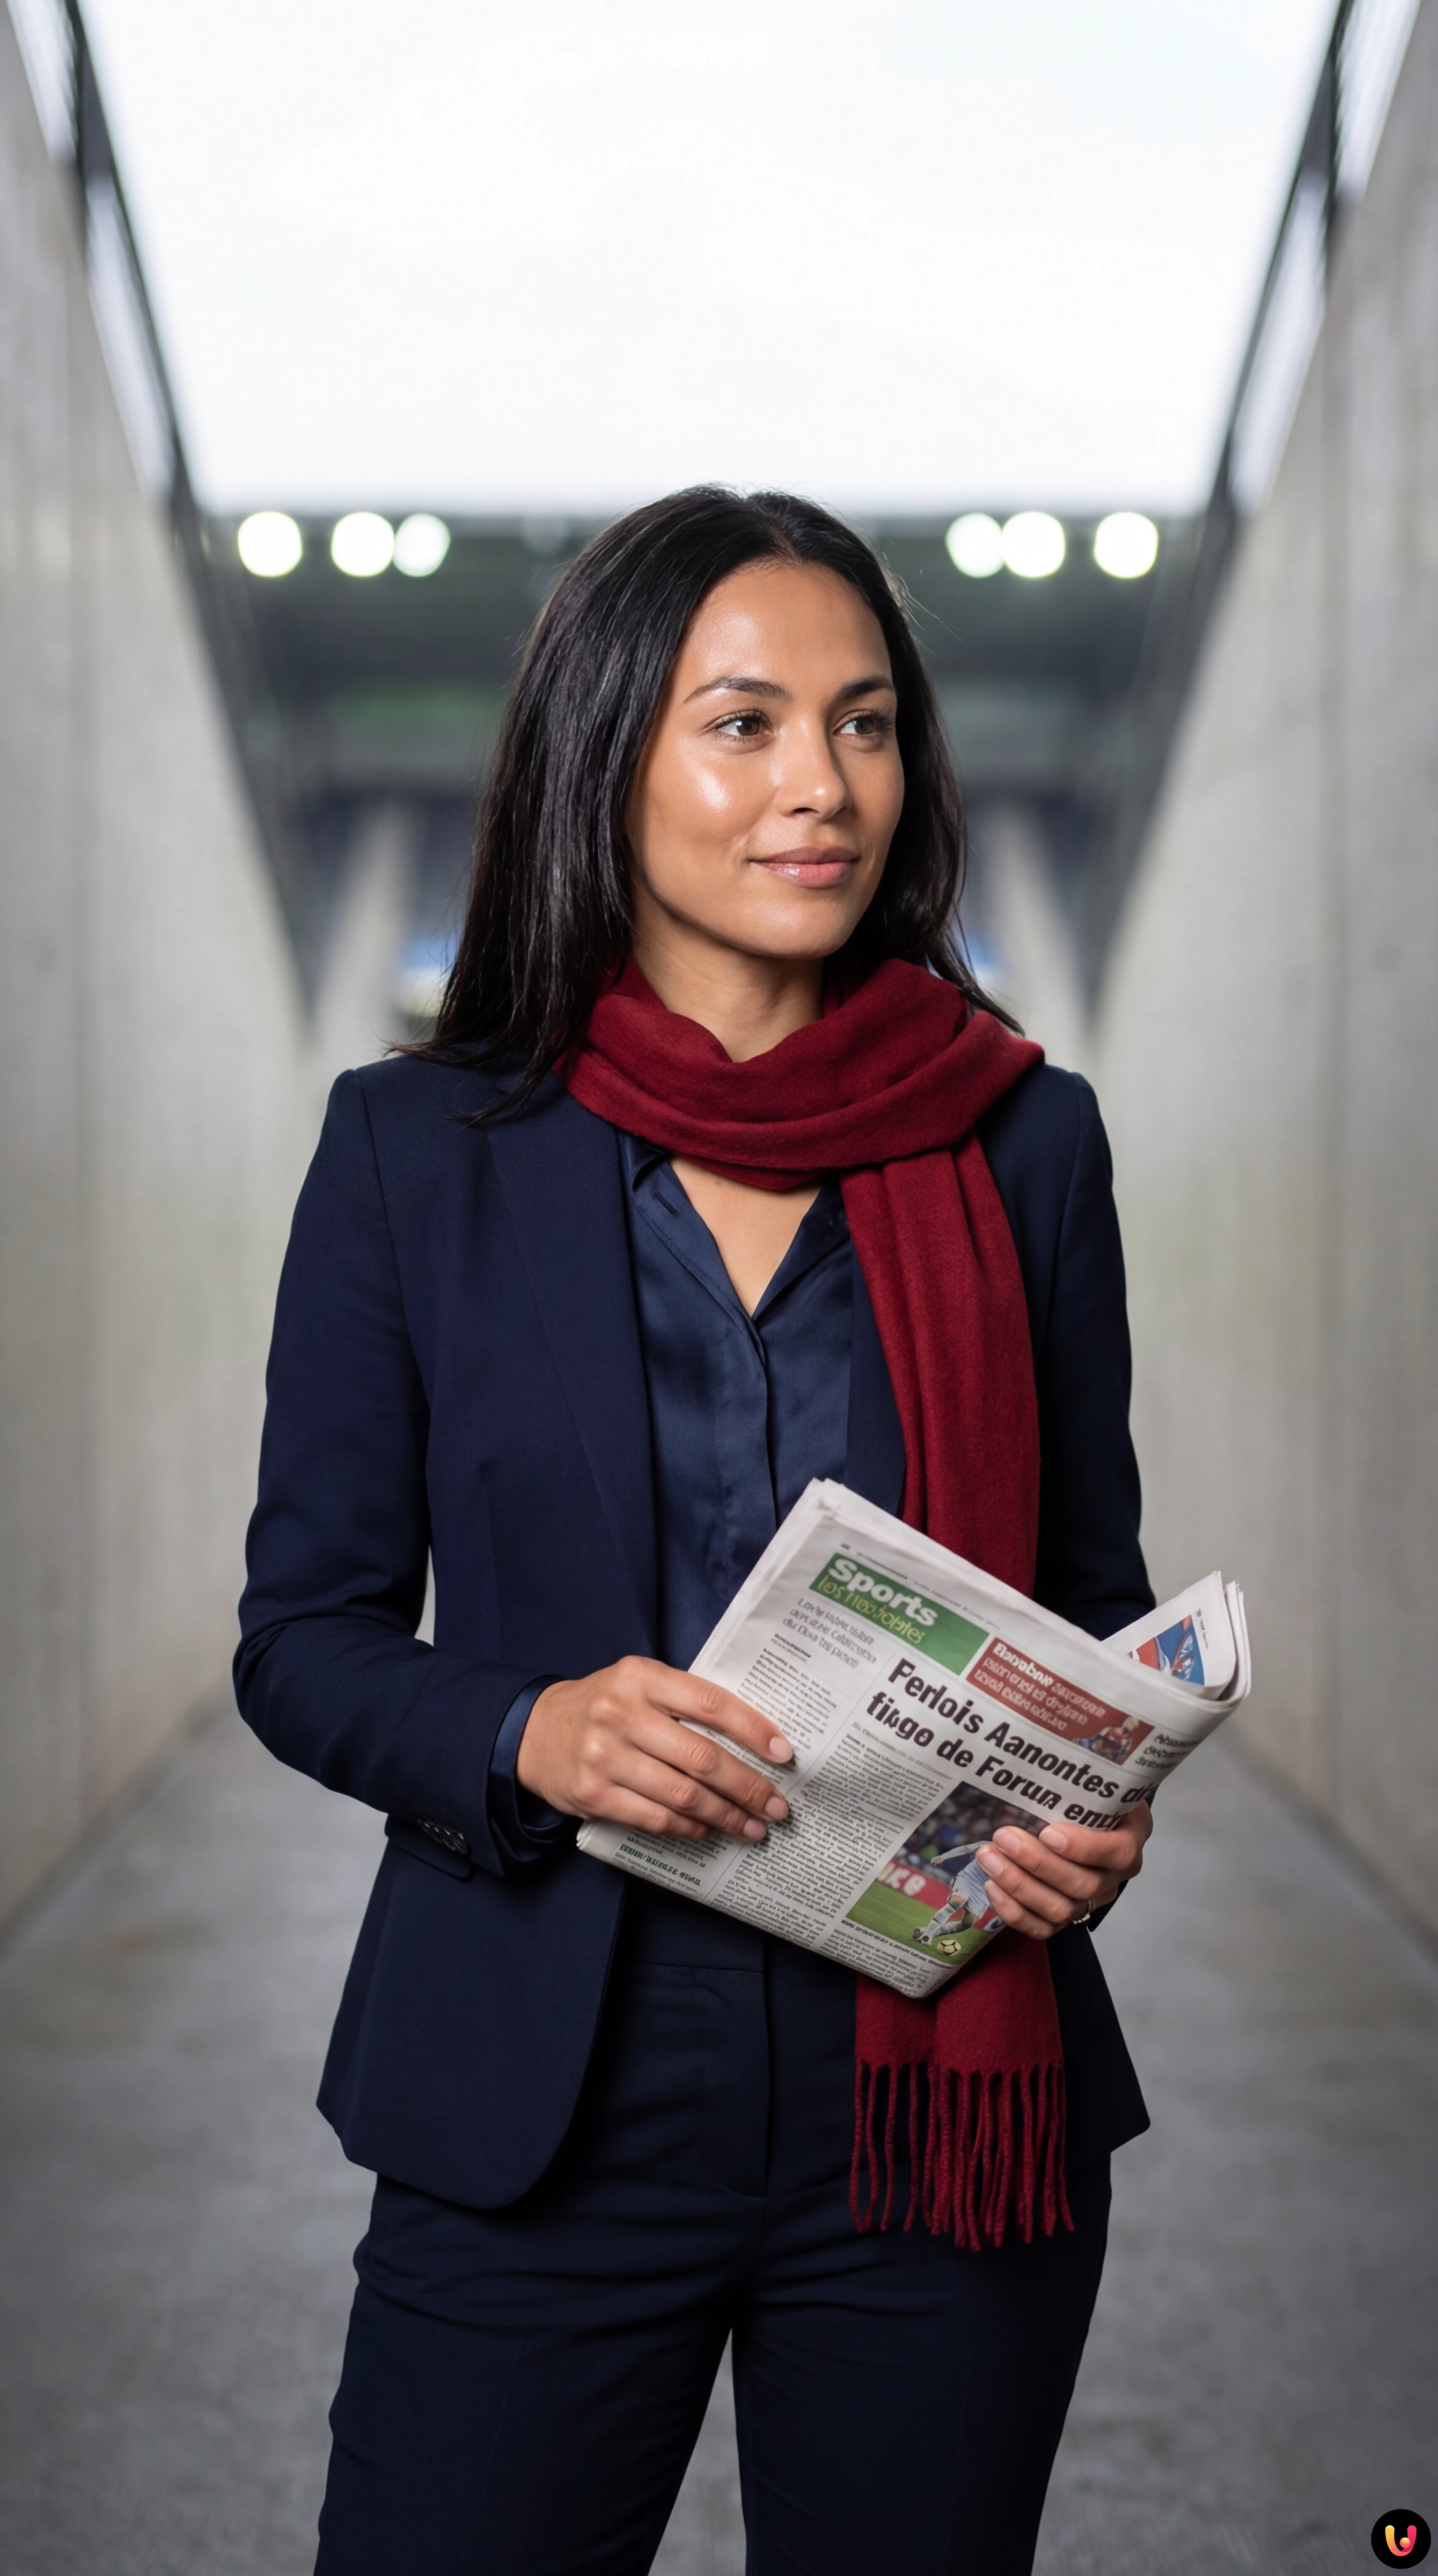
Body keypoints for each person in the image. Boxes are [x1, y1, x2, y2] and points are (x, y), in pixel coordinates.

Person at [236, 487, 1157, 2576]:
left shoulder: (1029, 1138)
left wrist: (1100, 1798)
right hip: (542, 2089)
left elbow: (1084, 1607)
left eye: (862, 724)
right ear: (606, 751)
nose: (817, 788)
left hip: (932, 2101)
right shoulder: (421, 1149)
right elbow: (300, 1633)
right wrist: (526, 1732)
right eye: (742, 724)